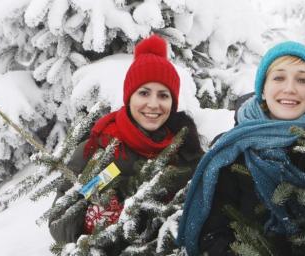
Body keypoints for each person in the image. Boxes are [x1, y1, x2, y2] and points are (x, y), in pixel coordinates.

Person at [177, 41, 305, 256]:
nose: (291, 88)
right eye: (279, 77)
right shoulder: (232, 151)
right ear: (263, 87)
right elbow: (209, 233)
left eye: (302, 79)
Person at [50, 34, 203, 243]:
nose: (153, 104)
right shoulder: (99, 148)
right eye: (144, 93)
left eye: (163, 95)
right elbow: (59, 223)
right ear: (129, 97)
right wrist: (94, 220)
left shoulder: (186, 151)